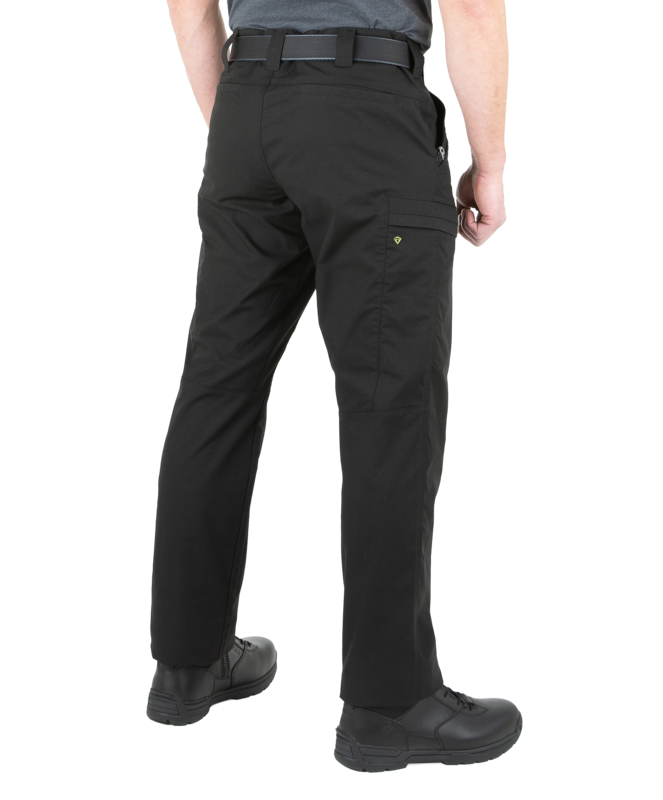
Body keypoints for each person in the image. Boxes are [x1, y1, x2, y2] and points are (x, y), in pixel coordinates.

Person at [148, 0, 518, 772]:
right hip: (368, 116)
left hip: (245, 107)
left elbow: (188, 7)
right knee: (390, 404)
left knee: (217, 386)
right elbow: (472, 8)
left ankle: (187, 666)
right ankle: (390, 703)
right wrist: (489, 165)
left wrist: (243, 125)